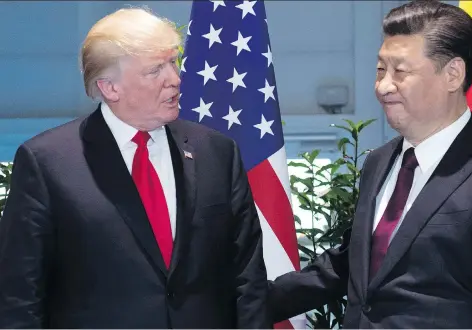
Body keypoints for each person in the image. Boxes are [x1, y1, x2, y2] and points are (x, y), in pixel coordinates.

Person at [268, 1, 472, 328]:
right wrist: (232, 301)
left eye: (400, 71)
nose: (383, 86)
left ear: (453, 74)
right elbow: (351, 264)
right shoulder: (379, 163)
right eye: (380, 70)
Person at [0, 8, 270, 329]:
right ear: (110, 87)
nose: (175, 79)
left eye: (173, 62)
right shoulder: (47, 162)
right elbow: (20, 297)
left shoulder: (218, 152)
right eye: (155, 70)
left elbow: (247, 279)